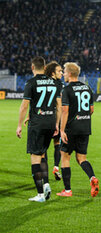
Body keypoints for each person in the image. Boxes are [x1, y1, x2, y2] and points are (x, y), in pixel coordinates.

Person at [16, 56, 60, 202]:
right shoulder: (54, 83)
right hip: (50, 122)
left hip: (37, 124)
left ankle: (40, 194)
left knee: (35, 158)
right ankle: (46, 184)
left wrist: (19, 125)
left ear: (32, 67)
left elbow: (24, 105)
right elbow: (58, 106)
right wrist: (56, 124)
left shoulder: (31, 82)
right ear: (45, 67)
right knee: (42, 154)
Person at [56, 62, 99, 197]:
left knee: (65, 157)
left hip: (71, 129)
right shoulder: (87, 88)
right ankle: (92, 177)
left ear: (69, 73)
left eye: (64, 71)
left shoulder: (67, 90)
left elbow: (65, 111)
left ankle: (67, 190)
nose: (63, 74)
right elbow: (91, 110)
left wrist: (62, 130)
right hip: (85, 128)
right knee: (82, 158)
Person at [44, 61, 64, 180]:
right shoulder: (58, 84)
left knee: (43, 147)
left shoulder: (42, 82)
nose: (61, 73)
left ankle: (44, 171)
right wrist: (58, 123)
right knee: (57, 143)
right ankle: (56, 167)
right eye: (59, 71)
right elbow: (59, 105)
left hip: (43, 117)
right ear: (53, 73)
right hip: (55, 117)